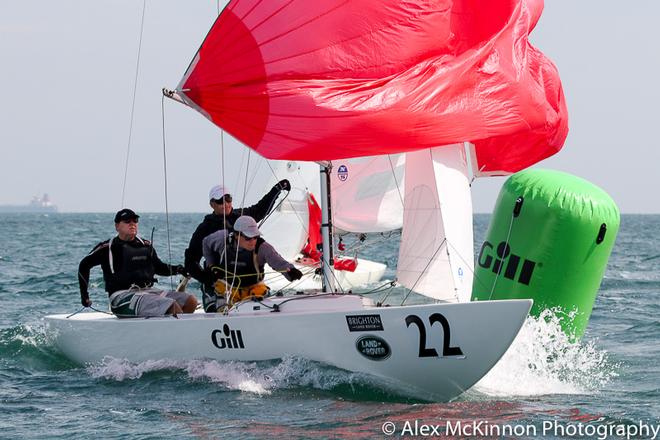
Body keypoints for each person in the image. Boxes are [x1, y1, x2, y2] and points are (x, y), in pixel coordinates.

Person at [184, 180, 291, 312]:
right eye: (220, 201)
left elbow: (260, 210)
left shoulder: (240, 217)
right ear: (212, 204)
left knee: (263, 307)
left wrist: (276, 189)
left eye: (228, 199)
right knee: (218, 311)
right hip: (218, 286)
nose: (226, 204)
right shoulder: (205, 228)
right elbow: (190, 261)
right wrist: (207, 278)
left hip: (245, 282)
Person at [78, 209, 198, 317]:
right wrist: (85, 296)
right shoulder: (107, 248)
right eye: (127, 221)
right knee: (171, 306)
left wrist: (179, 269)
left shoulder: (145, 245)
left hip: (148, 292)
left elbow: (159, 268)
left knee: (190, 301)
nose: (132, 223)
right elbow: (84, 265)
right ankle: (175, 333)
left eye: (135, 220)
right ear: (117, 226)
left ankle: (173, 330)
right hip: (121, 297)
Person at [202, 215, 303, 311]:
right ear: (237, 235)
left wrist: (291, 271)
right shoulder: (222, 239)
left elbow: (279, 263)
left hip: (253, 289)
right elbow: (206, 243)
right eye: (248, 238)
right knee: (217, 308)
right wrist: (211, 264)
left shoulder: (262, 247)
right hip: (227, 288)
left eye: (255, 237)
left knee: (259, 306)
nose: (253, 241)